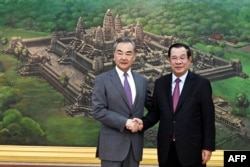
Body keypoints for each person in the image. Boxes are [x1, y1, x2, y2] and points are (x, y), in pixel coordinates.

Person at [136, 43, 215, 167]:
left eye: (182, 57)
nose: (178, 62)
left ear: (189, 59)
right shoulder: (161, 83)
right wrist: (142, 123)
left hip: (192, 149)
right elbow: (156, 112)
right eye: (174, 58)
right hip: (166, 149)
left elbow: (208, 118)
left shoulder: (201, 84)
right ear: (169, 60)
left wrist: (208, 147)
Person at [92, 36, 151, 167]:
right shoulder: (102, 80)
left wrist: (143, 124)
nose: (124, 57)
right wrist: (125, 122)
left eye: (128, 53)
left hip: (134, 148)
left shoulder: (142, 81)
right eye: (120, 53)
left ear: (134, 56)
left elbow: (154, 110)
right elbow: (98, 111)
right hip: (111, 148)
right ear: (114, 55)